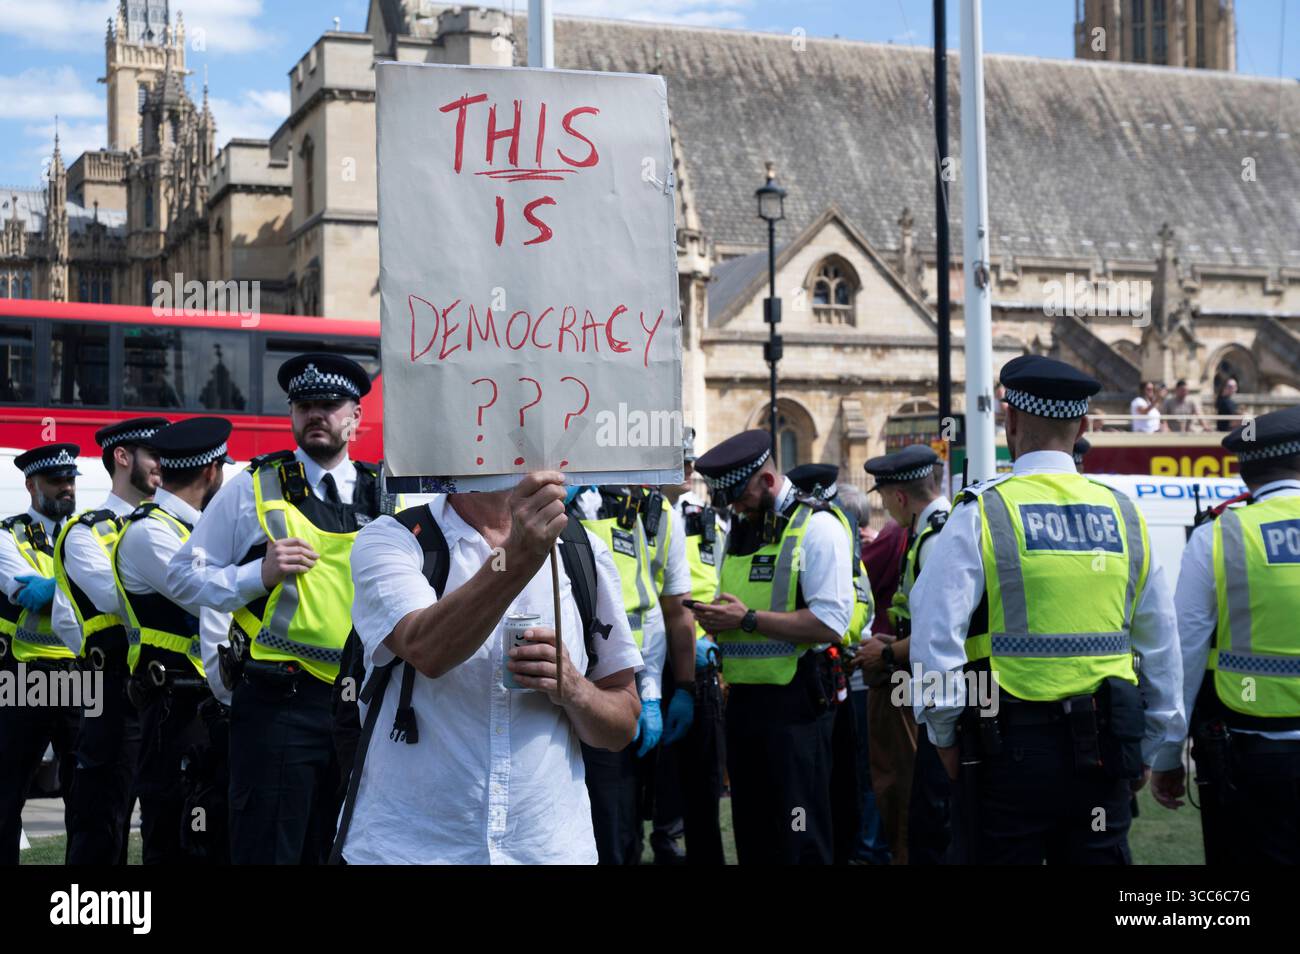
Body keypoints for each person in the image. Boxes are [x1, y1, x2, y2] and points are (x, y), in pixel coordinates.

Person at [909, 355, 1185, 864]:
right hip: (1106, 745)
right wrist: (1155, 740)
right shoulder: (1125, 513)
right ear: (1083, 425)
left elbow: (934, 635)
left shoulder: (983, 511)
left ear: (1009, 420)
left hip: (1009, 750)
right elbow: (1162, 641)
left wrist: (943, 732)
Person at [337, 471, 642, 863]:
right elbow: (428, 650)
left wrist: (575, 689)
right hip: (409, 850)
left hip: (547, 850)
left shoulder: (584, 551)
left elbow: (621, 728)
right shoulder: (393, 538)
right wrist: (519, 553)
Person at [166, 353, 383, 864]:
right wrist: (254, 576)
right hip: (280, 702)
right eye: (304, 405)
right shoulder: (251, 487)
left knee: (354, 850)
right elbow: (183, 574)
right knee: (269, 849)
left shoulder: (386, 495)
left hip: (366, 708)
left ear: (355, 417)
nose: (315, 415)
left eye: (329, 405)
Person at [691, 430, 854, 864]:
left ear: (766, 481)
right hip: (745, 706)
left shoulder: (817, 527)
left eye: (740, 495)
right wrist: (718, 623)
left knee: (798, 835)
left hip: (796, 708)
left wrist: (745, 620)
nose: (735, 507)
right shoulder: (742, 531)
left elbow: (830, 623)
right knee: (754, 836)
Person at [1150, 406, 1300, 864]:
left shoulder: (1218, 535)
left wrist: (1168, 755)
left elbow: (1184, 656)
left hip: (1250, 756)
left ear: (1243, 471)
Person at [112, 417, 235, 864]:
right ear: (210, 472)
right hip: (171, 706)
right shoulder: (151, 532)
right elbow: (211, 596)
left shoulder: (194, 528)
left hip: (204, 702)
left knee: (209, 829)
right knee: (171, 832)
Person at [53, 417, 168, 865]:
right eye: (154, 455)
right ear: (123, 457)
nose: (164, 464)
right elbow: (113, 598)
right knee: (102, 822)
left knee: (167, 820)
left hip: (164, 689)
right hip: (111, 689)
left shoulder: (167, 525)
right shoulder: (86, 530)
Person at [567, 481, 692, 864]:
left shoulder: (656, 511)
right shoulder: (557, 506)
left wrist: (656, 691)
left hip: (629, 681)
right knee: (597, 812)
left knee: (623, 812)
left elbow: (653, 609)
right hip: (572, 684)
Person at [860, 444, 952, 864]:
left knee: (912, 799)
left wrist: (887, 654)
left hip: (925, 686)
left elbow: (940, 631)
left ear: (899, 497)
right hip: (916, 679)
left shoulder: (935, 539)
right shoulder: (936, 530)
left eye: (883, 497)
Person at [787, 462, 875, 864]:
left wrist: (834, 634)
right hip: (817, 679)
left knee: (844, 781)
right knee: (820, 786)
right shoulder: (801, 536)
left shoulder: (835, 541)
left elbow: (857, 608)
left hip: (839, 676)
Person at [0, 444, 81, 864]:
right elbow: (29, 594)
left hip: (81, 675)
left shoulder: (86, 530)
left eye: (70, 480)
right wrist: (80, 581)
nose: (66, 488)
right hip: (25, 674)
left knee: (87, 795)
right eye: (56, 481)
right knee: (8, 791)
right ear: (32, 485)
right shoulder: (6, 534)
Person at [654, 427, 728, 865]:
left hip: (697, 658)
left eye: (688, 460)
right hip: (648, 659)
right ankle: (663, 836)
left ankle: (694, 846)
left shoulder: (707, 520)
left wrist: (710, 639)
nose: (687, 467)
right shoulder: (631, 513)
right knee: (657, 767)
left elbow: (723, 580)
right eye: (677, 459)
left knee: (701, 771)